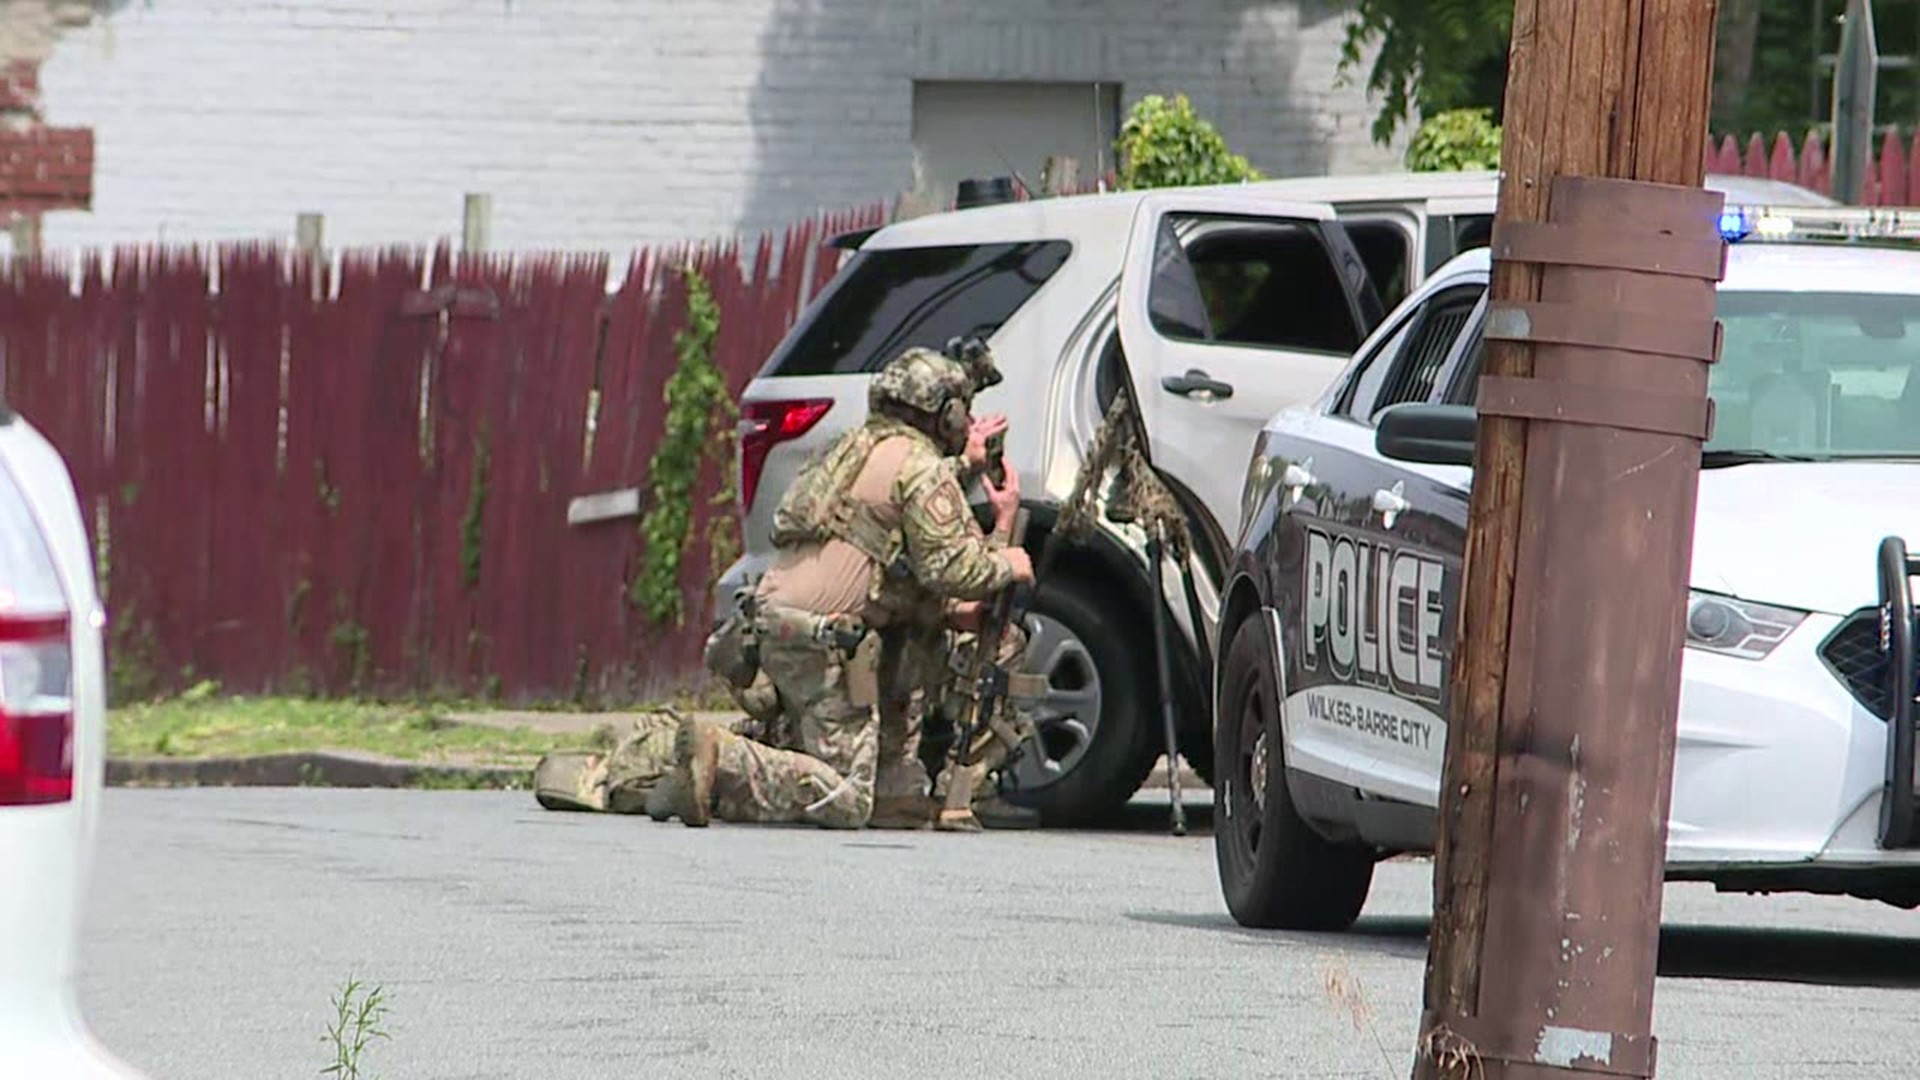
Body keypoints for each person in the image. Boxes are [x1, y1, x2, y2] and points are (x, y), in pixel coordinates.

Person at [659, 345, 1034, 829]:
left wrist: (968, 468)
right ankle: (722, 760)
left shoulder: (853, 448)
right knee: (846, 799)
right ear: (947, 414)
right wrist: (1007, 557)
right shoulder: (919, 467)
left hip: (776, 631)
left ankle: (693, 760)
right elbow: (951, 570)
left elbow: (890, 527)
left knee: (880, 800)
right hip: (821, 646)